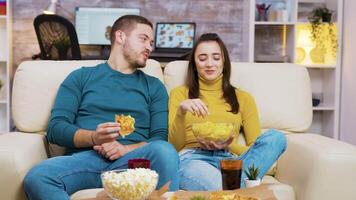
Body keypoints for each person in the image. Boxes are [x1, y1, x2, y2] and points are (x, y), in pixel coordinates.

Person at [24, 15, 179, 200]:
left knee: (165, 151)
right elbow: (56, 129)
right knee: (38, 176)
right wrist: (94, 137)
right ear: (120, 37)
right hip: (86, 161)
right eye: (143, 39)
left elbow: (159, 138)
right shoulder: (81, 77)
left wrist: (125, 150)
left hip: (135, 163)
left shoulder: (153, 86)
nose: (149, 47)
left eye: (151, 42)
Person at [168, 33, 287, 191]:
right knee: (221, 184)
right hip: (193, 158)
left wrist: (229, 146)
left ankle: (233, 187)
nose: (210, 64)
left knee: (276, 138)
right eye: (202, 59)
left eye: (216, 58)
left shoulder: (243, 98)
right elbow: (173, 146)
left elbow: (254, 147)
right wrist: (182, 111)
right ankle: (239, 188)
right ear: (194, 64)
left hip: (231, 159)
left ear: (224, 62)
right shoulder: (180, 94)